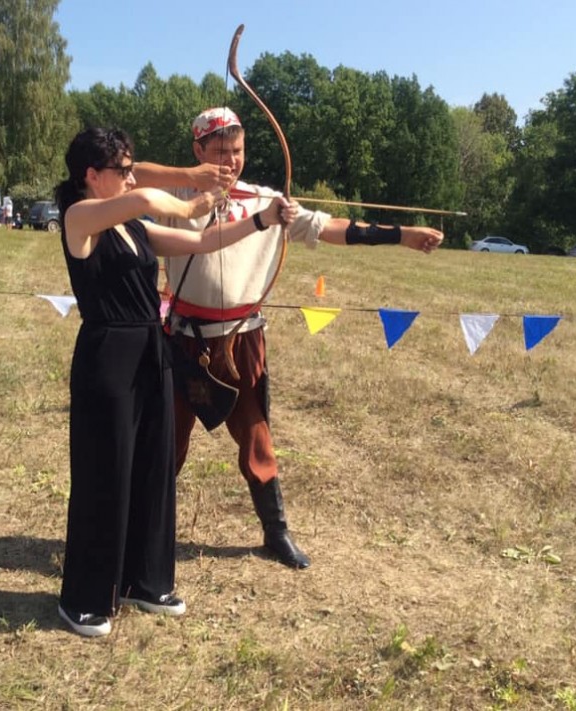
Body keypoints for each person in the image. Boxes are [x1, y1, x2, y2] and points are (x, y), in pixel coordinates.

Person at [135, 107, 445, 570]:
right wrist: (192, 178)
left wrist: (403, 236)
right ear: (198, 150)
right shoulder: (177, 196)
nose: (230, 161)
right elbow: (129, 174)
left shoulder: (267, 201)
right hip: (184, 339)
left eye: (237, 151)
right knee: (167, 439)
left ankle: (275, 531)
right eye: (219, 152)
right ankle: (142, 532)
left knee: (257, 437)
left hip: (241, 340)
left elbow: (333, 228)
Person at [55, 127, 296, 637]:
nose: (130, 176)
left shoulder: (132, 228)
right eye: (121, 169)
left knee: (152, 466)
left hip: (151, 350)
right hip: (108, 357)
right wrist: (192, 199)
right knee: (105, 473)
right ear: (91, 176)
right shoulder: (80, 217)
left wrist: (262, 219)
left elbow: (205, 241)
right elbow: (146, 196)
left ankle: (145, 581)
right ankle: (84, 598)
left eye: (130, 168)